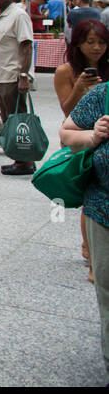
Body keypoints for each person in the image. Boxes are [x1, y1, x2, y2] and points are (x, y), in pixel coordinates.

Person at [57, 81, 109, 379]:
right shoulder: (103, 95)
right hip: (103, 209)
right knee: (108, 291)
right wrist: (94, 135)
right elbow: (66, 134)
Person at [54, 18, 109, 282]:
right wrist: (80, 87)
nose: (97, 48)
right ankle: (90, 252)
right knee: (90, 198)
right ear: (78, 44)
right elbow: (67, 111)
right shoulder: (66, 71)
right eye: (90, 42)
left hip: (105, 140)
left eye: (101, 42)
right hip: (78, 138)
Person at [0, 0, 36, 176]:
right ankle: (19, 158)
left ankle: (25, 161)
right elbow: (4, 43)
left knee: (18, 120)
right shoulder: (3, 16)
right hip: (1, 76)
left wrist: (24, 76)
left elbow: (26, 46)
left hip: (12, 76)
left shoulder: (19, 15)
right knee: (9, 120)